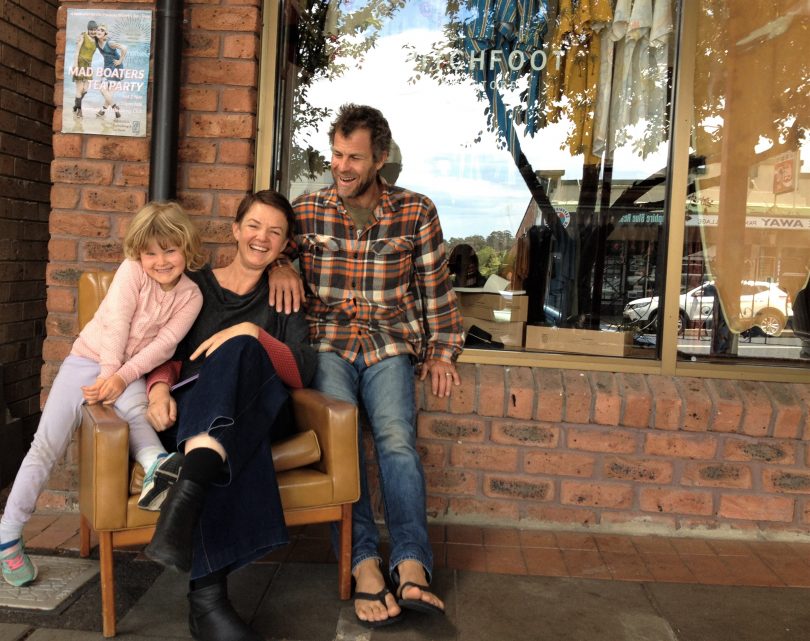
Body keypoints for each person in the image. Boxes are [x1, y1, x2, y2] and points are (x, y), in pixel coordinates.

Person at [269, 104, 464, 627]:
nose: (342, 166)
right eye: (336, 154)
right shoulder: (307, 210)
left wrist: (442, 350)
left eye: (354, 157)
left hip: (388, 345)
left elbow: (434, 288)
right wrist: (284, 264)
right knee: (343, 444)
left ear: (380, 159)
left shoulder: (415, 211)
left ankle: (411, 564)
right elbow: (264, 246)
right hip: (328, 343)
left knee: (397, 439)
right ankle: (364, 566)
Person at [0, 202, 205, 587]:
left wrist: (121, 377)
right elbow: (116, 324)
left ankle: (155, 465)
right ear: (138, 254)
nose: (161, 261)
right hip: (88, 360)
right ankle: (8, 533)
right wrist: (110, 374)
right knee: (46, 445)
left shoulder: (191, 296)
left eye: (170, 250)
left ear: (187, 247)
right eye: (151, 252)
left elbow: (164, 346)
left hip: (131, 372)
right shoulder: (131, 272)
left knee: (135, 407)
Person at [142, 190, 316, 641]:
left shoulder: (285, 296)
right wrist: (159, 387)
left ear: (285, 246)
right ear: (235, 230)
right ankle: (207, 601)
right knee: (227, 445)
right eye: (254, 226)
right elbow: (166, 350)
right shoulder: (195, 285)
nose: (262, 238)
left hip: (261, 410)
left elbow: (300, 370)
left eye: (275, 233)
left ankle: (190, 488)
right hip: (192, 415)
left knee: (242, 348)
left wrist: (251, 331)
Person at [94, 24, 127, 120]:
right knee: (107, 91)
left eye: (102, 30)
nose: (99, 31)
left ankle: (110, 108)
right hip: (107, 67)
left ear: (105, 34)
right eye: (98, 29)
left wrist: (120, 60)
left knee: (104, 89)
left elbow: (124, 48)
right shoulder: (97, 42)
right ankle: (107, 110)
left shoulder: (110, 43)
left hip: (116, 67)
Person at [71, 19, 98, 119]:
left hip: (88, 65)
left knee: (86, 89)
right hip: (80, 63)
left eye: (95, 29)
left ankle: (76, 104)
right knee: (79, 88)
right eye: (91, 29)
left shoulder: (96, 39)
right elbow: (77, 51)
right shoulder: (83, 36)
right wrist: (75, 65)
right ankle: (79, 110)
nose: (93, 31)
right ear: (88, 29)